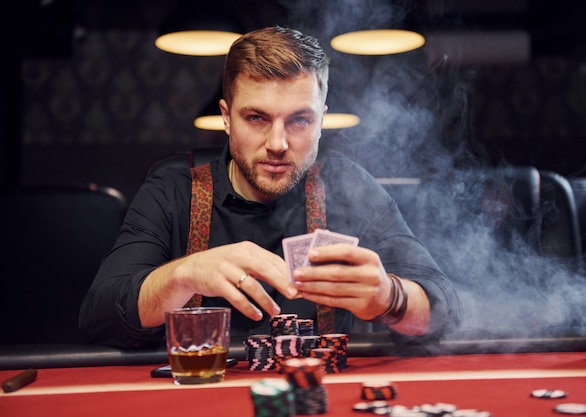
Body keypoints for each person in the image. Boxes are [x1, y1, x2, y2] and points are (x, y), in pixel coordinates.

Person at [79, 26, 462, 351]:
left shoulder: (349, 188)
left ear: (321, 121)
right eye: (257, 118)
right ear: (227, 119)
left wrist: (390, 298)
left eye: (299, 119)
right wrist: (185, 275)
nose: (278, 142)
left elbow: (447, 311)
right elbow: (98, 317)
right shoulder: (172, 190)